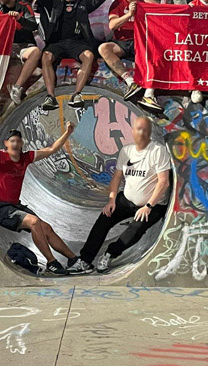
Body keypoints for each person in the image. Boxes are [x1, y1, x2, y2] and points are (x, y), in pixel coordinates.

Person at [0, 115, 85, 275]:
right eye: (12, 141)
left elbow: (51, 149)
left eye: (18, 141)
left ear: (21, 144)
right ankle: (52, 263)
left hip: (14, 206)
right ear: (6, 144)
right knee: (34, 222)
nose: (15, 144)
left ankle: (73, 260)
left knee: (46, 228)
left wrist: (68, 133)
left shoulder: (25, 158)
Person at [68, 116, 171, 274]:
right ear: (132, 131)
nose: (142, 132)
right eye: (139, 129)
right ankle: (85, 261)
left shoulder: (158, 151)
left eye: (145, 129)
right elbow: (117, 176)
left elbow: (163, 182)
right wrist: (111, 200)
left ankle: (110, 254)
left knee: (135, 229)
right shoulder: (127, 151)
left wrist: (148, 206)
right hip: (127, 200)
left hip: (152, 205)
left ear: (150, 132)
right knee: (104, 219)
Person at [30, 0, 108, 111]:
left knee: (89, 56)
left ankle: (77, 94)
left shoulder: (83, 3)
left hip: (78, 44)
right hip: (57, 43)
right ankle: (50, 97)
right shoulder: (54, 1)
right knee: (46, 56)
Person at [98, 0, 163, 112]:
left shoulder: (145, 2)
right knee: (104, 48)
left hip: (142, 42)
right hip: (122, 42)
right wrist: (129, 15)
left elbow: (161, 13)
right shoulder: (118, 3)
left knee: (157, 50)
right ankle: (130, 82)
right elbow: (112, 25)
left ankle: (149, 95)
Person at [0, 0, 41, 105]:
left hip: (23, 46)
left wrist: (20, 19)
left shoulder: (24, 6)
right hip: (6, 47)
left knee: (36, 52)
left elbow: (33, 26)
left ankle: (17, 88)